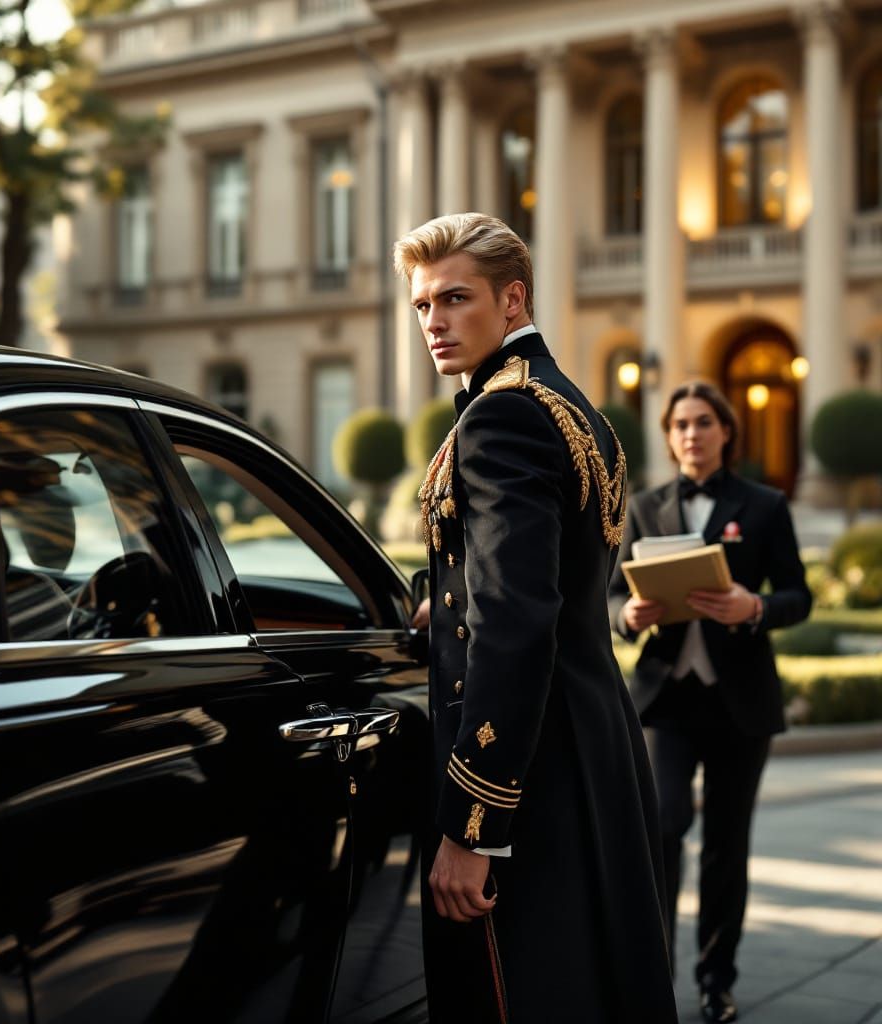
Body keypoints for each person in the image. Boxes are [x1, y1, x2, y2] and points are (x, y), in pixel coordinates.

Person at [394, 212, 678, 1023]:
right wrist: (441, 591)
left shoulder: (499, 415)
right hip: (593, 739)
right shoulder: (573, 404)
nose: (435, 323)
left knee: (524, 995)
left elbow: (515, 627)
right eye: (422, 306)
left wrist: (471, 827)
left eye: (456, 299)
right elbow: (544, 575)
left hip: (532, 769)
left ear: (512, 300)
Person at [608, 381, 812, 1023]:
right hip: (666, 698)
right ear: (668, 438)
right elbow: (611, 597)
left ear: (726, 431)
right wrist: (630, 616)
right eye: (680, 425)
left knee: (728, 846)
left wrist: (755, 607)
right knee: (662, 827)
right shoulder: (641, 507)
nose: (691, 434)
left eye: (703, 423)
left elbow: (799, 595)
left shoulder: (765, 505)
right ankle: (654, 975)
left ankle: (715, 981)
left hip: (740, 704)